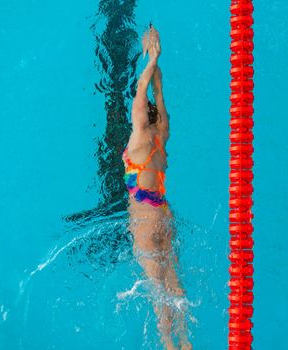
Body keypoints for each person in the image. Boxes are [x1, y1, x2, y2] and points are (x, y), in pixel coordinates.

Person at [123, 25, 191, 350]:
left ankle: (168, 344)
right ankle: (187, 343)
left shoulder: (137, 140)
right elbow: (156, 95)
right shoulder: (161, 134)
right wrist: (158, 69)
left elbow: (140, 90)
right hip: (165, 213)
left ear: (139, 119)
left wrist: (152, 59)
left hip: (145, 219)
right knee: (174, 284)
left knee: (157, 290)